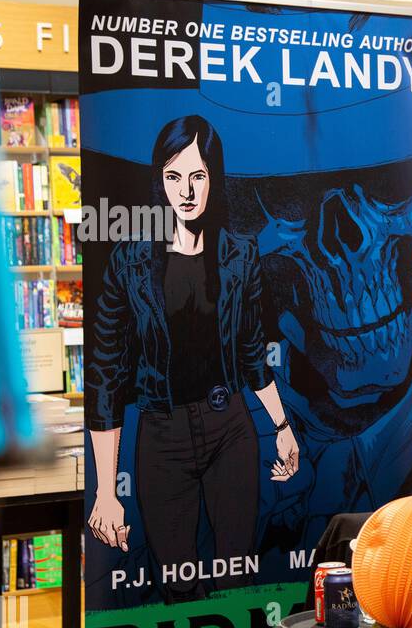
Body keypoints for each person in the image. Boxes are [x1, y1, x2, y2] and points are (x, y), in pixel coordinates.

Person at [86, 115, 300, 600]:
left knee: (237, 579)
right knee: (176, 586)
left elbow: (252, 353)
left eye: (198, 176)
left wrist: (282, 429)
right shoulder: (129, 262)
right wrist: (104, 490)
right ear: (159, 181)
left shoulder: (240, 256)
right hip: (161, 438)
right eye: (174, 176)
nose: (186, 190)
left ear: (213, 179)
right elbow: (106, 378)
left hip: (231, 431)